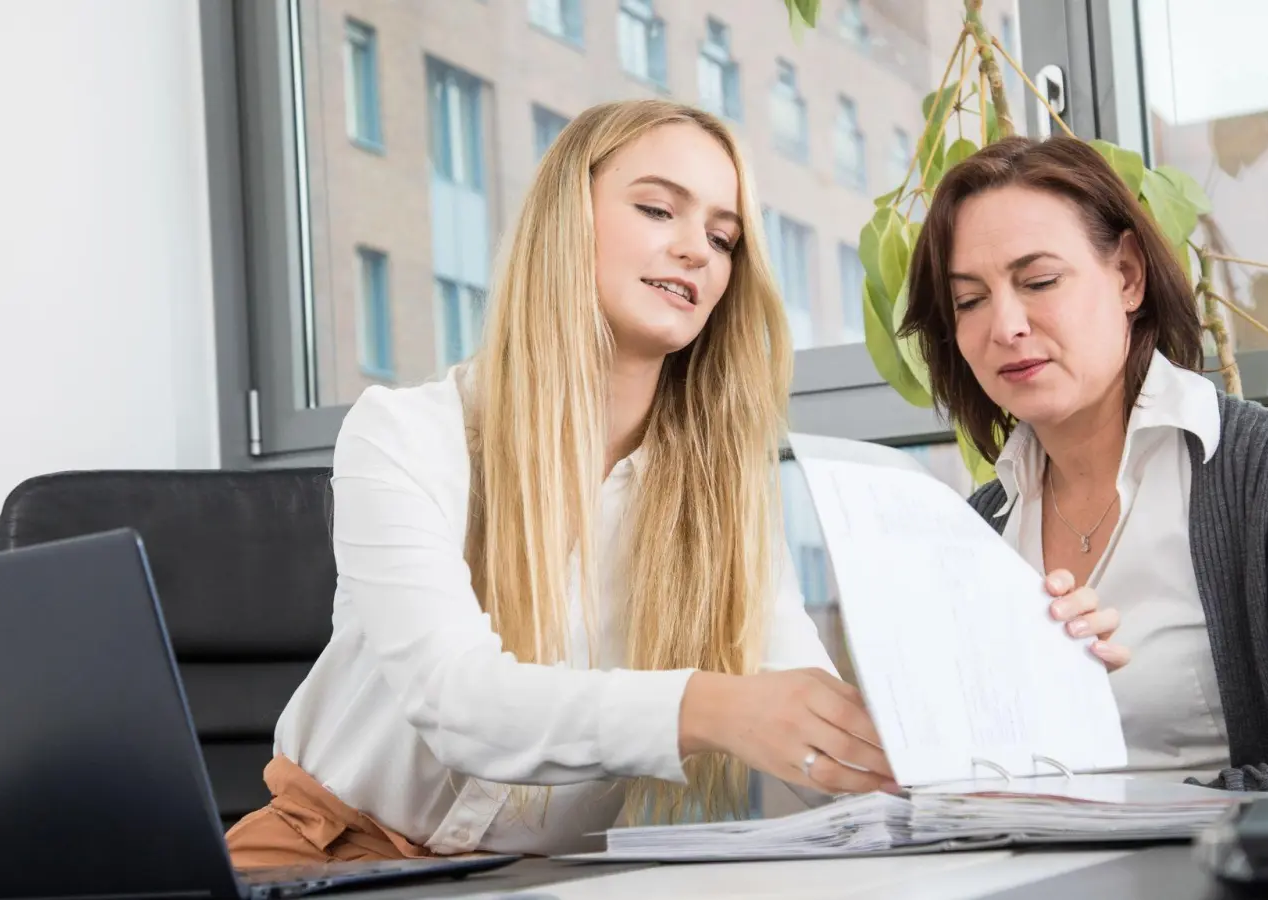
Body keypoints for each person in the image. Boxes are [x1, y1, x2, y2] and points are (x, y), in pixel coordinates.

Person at [224, 99, 902, 866]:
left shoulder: (722, 499)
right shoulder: (409, 432)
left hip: (543, 884)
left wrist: (915, 758)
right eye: (657, 209)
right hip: (323, 864)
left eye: (723, 239)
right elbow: (458, 702)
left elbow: (804, 711)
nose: (697, 251)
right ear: (565, 221)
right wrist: (707, 706)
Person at [897, 135, 1268, 793]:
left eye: (1038, 281)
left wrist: (1146, 817)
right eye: (969, 300)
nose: (1004, 324)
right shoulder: (978, 531)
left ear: (1127, 275)